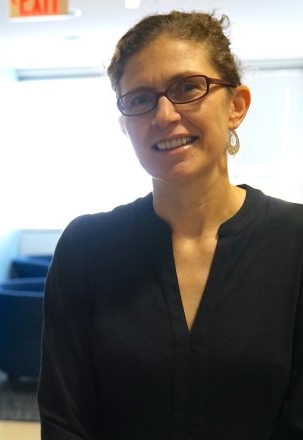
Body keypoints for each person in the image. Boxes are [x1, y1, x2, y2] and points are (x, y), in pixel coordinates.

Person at [38, 11, 303, 439]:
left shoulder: (295, 241)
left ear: (236, 106)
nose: (164, 114)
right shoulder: (86, 248)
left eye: (187, 88)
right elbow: (64, 420)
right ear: (126, 125)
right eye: (140, 99)